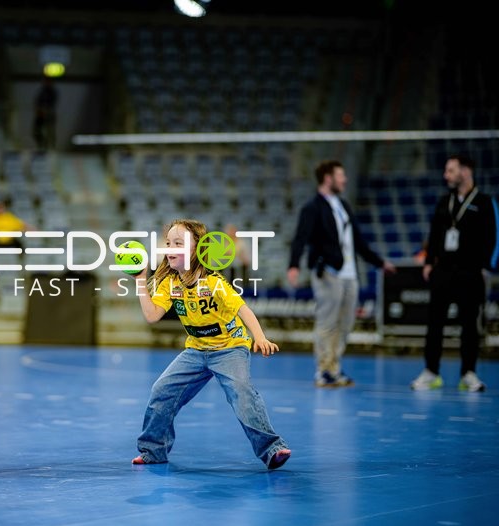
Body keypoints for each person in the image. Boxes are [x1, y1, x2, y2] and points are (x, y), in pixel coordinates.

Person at [130, 219, 291, 470]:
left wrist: (259, 337)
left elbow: (242, 309)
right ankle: (153, 451)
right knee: (161, 390)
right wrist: (141, 280)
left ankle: (272, 449)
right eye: (168, 243)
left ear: (196, 251)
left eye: (178, 243)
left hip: (229, 348)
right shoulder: (170, 283)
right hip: (195, 350)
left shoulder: (214, 282)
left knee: (242, 391)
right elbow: (152, 316)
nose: (170, 248)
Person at [288, 160, 396, 387]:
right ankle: (322, 369)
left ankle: (334, 367)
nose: (344, 180)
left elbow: (358, 241)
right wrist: (294, 265)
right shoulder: (313, 207)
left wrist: (379, 262)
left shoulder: (344, 206)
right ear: (328, 178)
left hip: (350, 274)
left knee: (345, 324)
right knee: (327, 322)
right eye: (340, 175)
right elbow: (301, 237)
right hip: (328, 271)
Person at [410, 155, 496, 392]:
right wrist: (429, 263)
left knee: (469, 325)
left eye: (451, 170)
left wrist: (486, 267)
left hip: (470, 274)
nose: (446, 175)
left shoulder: (485, 202)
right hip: (443, 272)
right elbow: (435, 234)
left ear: (466, 171)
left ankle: (468, 373)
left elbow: (493, 237)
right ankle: (431, 372)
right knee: (434, 323)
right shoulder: (443, 201)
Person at [32, 76, 58, 150]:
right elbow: (37, 101)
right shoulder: (42, 91)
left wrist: (46, 110)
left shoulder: (53, 92)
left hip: (49, 114)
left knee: (50, 131)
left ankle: (51, 147)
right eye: (45, 81)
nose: (46, 83)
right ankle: (41, 145)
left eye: (48, 82)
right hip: (40, 114)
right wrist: (38, 109)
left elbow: (52, 103)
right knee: (36, 131)